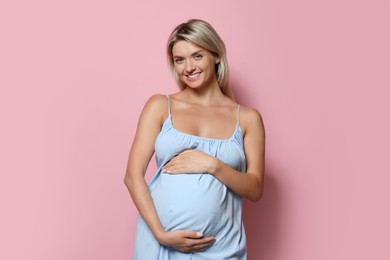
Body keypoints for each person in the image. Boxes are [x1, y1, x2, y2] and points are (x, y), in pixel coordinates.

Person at [124, 19, 265, 260]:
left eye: (197, 56)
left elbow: (255, 189)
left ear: (216, 56)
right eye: (180, 60)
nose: (188, 67)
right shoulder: (160, 106)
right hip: (160, 245)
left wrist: (212, 165)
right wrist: (160, 234)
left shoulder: (248, 119)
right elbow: (132, 176)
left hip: (222, 247)